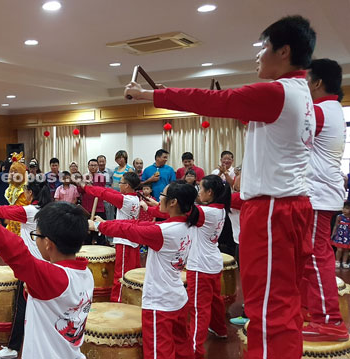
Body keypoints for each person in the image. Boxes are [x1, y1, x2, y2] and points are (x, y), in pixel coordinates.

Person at [124, 15, 317, 358]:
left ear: (284, 51)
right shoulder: (303, 98)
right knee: (282, 304)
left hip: (274, 211)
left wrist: (150, 94)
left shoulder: (276, 92)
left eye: (264, 48)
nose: (258, 55)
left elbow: (211, 100)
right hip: (291, 206)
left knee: (268, 310)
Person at [0, 197, 93, 359]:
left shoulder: (53, 278)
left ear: (48, 244)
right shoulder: (86, 274)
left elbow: (14, 249)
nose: (35, 239)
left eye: (36, 235)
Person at [91, 182, 199, 359]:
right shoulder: (189, 224)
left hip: (160, 303)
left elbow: (130, 229)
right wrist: (107, 222)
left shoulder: (164, 231)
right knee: (181, 347)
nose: (158, 200)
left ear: (173, 202)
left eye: (162, 196)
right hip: (178, 298)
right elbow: (137, 224)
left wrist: (98, 226)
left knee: (159, 353)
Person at [300, 58, 348, 341]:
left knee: (317, 259)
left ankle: (330, 321)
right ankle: (310, 312)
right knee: (311, 258)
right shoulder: (332, 109)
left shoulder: (319, 111)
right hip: (320, 194)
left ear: (317, 83)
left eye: (306, 79)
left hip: (318, 196)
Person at [0, 180, 53, 359]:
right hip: (48, 264)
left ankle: (13, 348)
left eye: (25, 192)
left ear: (30, 194)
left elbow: (4, 212)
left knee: (20, 307)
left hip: (31, 267)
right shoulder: (49, 210)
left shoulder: (30, 211)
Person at [80, 171, 143, 302]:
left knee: (121, 275)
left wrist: (85, 187)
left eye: (120, 183)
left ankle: (117, 301)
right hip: (131, 240)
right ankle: (129, 300)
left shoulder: (126, 200)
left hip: (125, 242)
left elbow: (105, 194)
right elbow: (109, 192)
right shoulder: (134, 198)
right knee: (130, 273)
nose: (119, 185)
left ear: (127, 185)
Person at [187, 175, 231, 358]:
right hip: (212, 262)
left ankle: (194, 348)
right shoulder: (219, 209)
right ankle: (220, 330)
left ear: (210, 192)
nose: (199, 192)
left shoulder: (205, 212)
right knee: (215, 301)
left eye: (200, 188)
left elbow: (179, 214)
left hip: (200, 266)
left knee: (198, 308)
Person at [78, 159, 107, 245]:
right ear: (88, 166)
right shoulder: (84, 177)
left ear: (98, 167)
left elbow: (100, 190)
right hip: (86, 208)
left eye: (95, 165)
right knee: (86, 231)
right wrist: (84, 185)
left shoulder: (101, 177)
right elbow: (79, 190)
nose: (93, 167)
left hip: (99, 208)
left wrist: (90, 185)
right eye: (91, 165)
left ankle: (102, 250)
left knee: (100, 231)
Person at [331, 202, 350, 268]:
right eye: (343, 208)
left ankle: (344, 262)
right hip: (340, 236)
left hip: (348, 236)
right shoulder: (339, 217)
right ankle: (337, 261)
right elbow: (336, 226)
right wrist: (333, 234)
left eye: (347, 208)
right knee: (339, 249)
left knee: (346, 250)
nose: (344, 210)